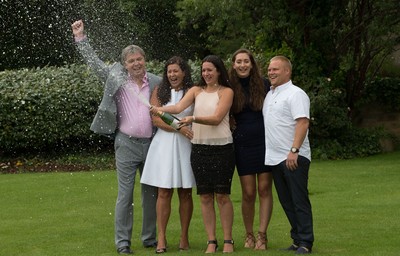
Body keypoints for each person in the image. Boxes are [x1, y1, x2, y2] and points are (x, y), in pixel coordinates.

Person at [71, 20, 160, 254]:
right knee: (125, 195)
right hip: (126, 144)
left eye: (139, 59)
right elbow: (95, 64)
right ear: (124, 64)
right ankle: (123, 243)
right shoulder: (116, 78)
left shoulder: (157, 82)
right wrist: (81, 39)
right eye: (131, 61)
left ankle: (150, 238)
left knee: (152, 193)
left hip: (152, 145)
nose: (136, 63)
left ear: (145, 60)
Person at [151, 55, 235, 253]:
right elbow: (178, 107)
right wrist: (159, 109)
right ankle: (212, 242)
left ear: (219, 72)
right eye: (204, 70)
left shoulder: (227, 92)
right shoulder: (196, 90)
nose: (206, 73)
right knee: (205, 197)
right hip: (199, 149)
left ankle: (228, 241)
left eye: (210, 70)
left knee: (222, 196)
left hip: (222, 149)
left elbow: (216, 118)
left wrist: (193, 118)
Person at [140, 56, 195, 254]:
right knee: (164, 191)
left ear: (184, 72)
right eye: (169, 71)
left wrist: (186, 130)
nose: (172, 75)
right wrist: (179, 128)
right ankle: (161, 237)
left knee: (185, 192)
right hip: (164, 144)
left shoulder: (193, 91)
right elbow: (155, 119)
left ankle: (184, 236)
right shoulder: (159, 91)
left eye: (176, 71)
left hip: (186, 145)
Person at [262, 55, 314, 254]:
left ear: (287, 72)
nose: (271, 72)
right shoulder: (270, 94)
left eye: (276, 69)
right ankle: (296, 239)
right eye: (269, 69)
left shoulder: (296, 94)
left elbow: (303, 122)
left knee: (299, 201)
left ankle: (306, 242)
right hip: (275, 158)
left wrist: (294, 151)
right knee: (287, 202)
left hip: (293, 157)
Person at [229, 49, 273, 250]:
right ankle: (248, 235)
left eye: (246, 61)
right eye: (239, 62)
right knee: (248, 192)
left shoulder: (264, 84)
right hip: (242, 144)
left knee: (264, 189)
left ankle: (262, 235)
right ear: (233, 65)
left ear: (252, 64)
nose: (243, 65)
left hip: (264, 142)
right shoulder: (229, 87)